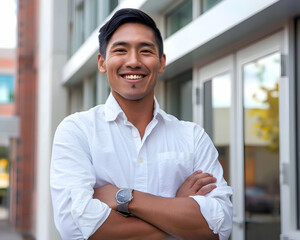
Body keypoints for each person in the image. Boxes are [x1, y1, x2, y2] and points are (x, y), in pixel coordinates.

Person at [50, 8, 233, 240]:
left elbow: (221, 224)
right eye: (121, 50)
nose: (134, 61)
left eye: (145, 51)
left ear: (161, 62)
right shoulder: (78, 131)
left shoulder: (193, 137)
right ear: (102, 63)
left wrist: (124, 197)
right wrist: (177, 208)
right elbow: (74, 227)